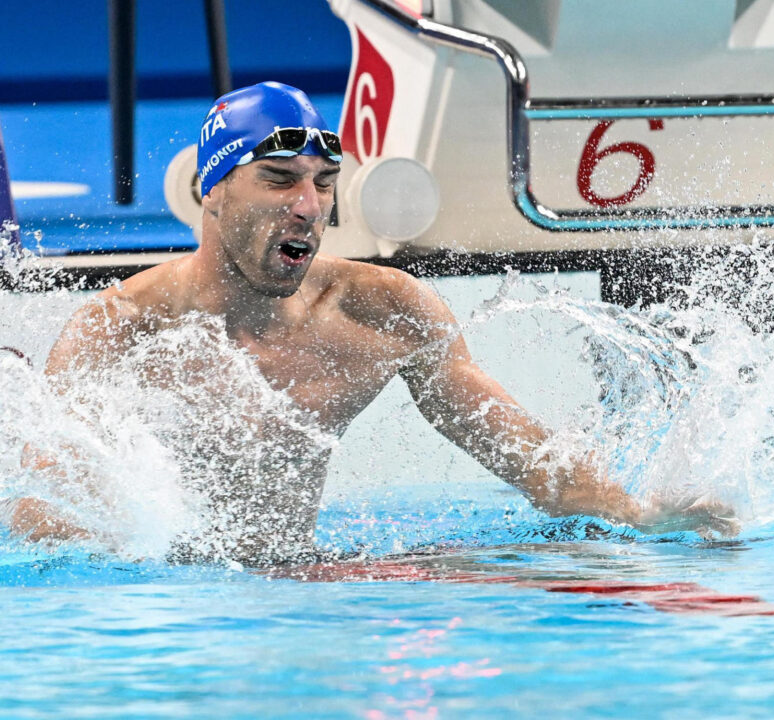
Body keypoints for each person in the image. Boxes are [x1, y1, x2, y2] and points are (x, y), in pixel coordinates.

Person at [10, 82, 735, 561]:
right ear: (212, 191)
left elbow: (529, 462)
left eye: (324, 184)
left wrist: (641, 517)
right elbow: (44, 522)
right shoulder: (120, 330)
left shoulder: (381, 311)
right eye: (279, 179)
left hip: (311, 584)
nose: (308, 206)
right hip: (180, 612)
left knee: (564, 571)